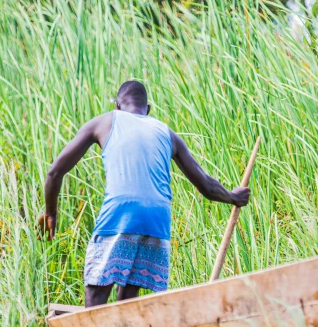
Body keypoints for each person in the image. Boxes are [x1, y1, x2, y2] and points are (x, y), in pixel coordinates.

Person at [38, 80, 250, 307]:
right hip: (157, 220)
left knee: (96, 292)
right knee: (128, 301)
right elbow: (207, 186)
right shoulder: (166, 132)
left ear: (118, 106)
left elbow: (54, 172)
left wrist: (50, 212)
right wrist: (233, 196)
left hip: (122, 212)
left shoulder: (106, 121)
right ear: (148, 110)